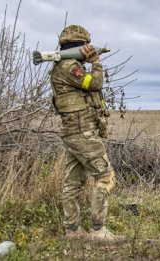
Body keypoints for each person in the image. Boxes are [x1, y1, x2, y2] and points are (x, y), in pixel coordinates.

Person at [50, 25, 123, 242]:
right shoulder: (68, 66)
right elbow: (95, 83)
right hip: (82, 130)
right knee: (105, 177)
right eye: (86, 46)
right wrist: (96, 63)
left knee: (73, 182)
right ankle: (98, 230)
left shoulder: (61, 66)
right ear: (80, 46)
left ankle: (72, 231)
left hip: (74, 130)